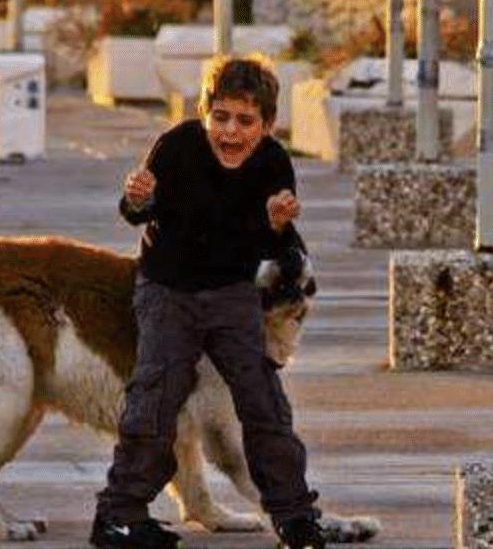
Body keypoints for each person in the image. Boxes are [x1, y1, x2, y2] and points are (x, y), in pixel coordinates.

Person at [91, 56, 325, 549]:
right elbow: (138, 212)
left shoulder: (273, 163)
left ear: (267, 124)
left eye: (245, 121)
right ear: (204, 113)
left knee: (262, 400)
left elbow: (273, 245)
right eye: (220, 117)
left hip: (231, 293)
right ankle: (120, 514)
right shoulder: (177, 146)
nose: (231, 131)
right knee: (156, 396)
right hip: (168, 289)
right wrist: (137, 197)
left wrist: (279, 225)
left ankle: (294, 515)